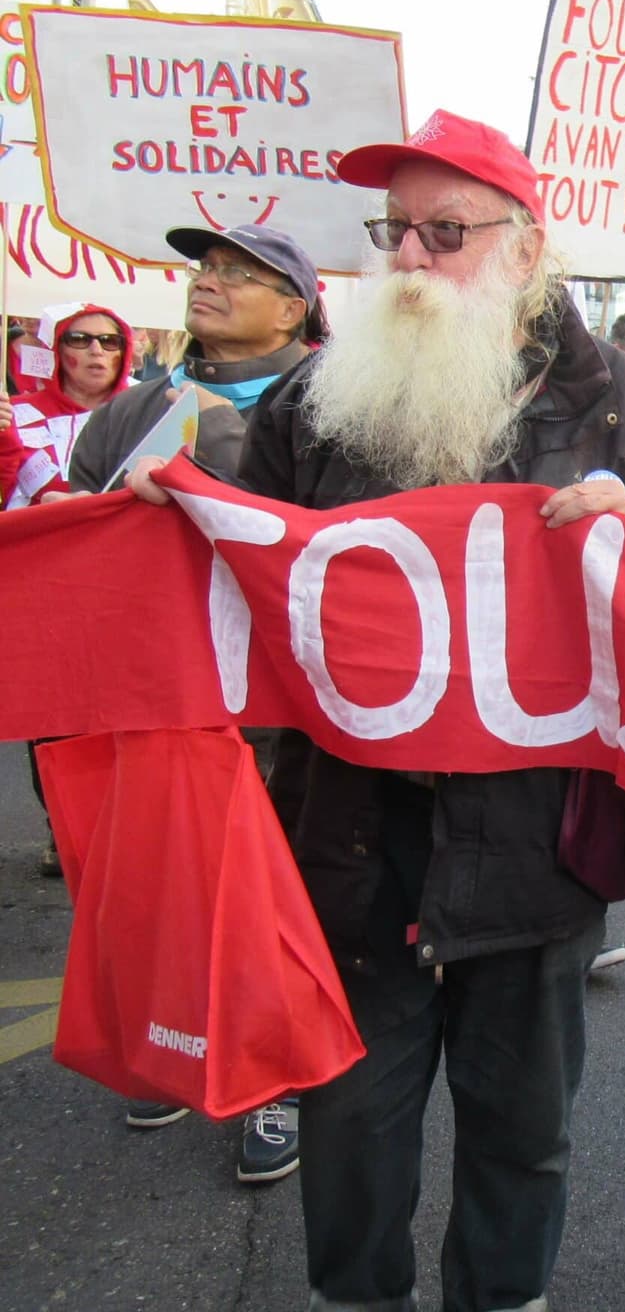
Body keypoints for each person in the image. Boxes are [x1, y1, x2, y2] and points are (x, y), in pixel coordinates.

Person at [128, 108, 625, 1312]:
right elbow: (242, 584)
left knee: (522, 1130)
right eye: (394, 231)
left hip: (539, 842)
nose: (409, 259)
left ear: (526, 249)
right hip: (355, 839)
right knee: (353, 1127)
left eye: (444, 232)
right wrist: (172, 517)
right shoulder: (317, 401)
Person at [62, 222, 328, 1181]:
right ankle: (176, 1046)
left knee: (285, 888)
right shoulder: (130, 413)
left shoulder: (337, 410)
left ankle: (279, 1083)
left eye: (236, 273)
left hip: (288, 701)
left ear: (293, 308)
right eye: (202, 269)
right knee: (170, 879)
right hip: (163, 692)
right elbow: (71, 524)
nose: (207, 283)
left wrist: (211, 479)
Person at [3, 303, 137, 509]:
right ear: (56, 349)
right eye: (79, 340)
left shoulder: (146, 412)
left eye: (109, 341)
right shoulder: (12, 412)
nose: (96, 350)